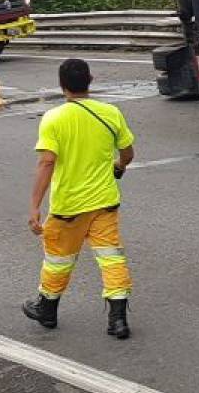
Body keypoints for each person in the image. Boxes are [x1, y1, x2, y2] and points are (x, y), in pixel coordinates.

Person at [23, 58, 135, 338]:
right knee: (111, 258)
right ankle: (118, 319)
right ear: (91, 79)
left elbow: (47, 163)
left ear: (62, 86)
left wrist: (35, 206)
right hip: (105, 202)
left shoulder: (54, 118)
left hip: (68, 206)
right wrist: (118, 168)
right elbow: (128, 153)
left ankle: (47, 309)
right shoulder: (111, 112)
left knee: (58, 259)